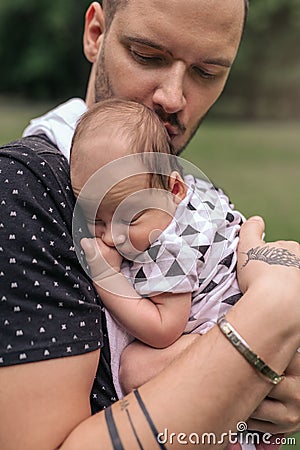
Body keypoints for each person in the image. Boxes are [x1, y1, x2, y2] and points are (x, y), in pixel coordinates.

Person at [0, 1, 300, 449]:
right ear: (96, 33)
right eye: (147, 55)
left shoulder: (181, 190)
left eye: (207, 72)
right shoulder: (26, 188)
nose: (173, 98)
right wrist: (271, 317)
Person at [70, 98, 244, 399]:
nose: (112, 238)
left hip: (232, 327)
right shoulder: (186, 194)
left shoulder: (171, 245)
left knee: (134, 367)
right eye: (96, 218)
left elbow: (164, 329)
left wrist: (106, 276)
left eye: (132, 217)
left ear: (174, 190)